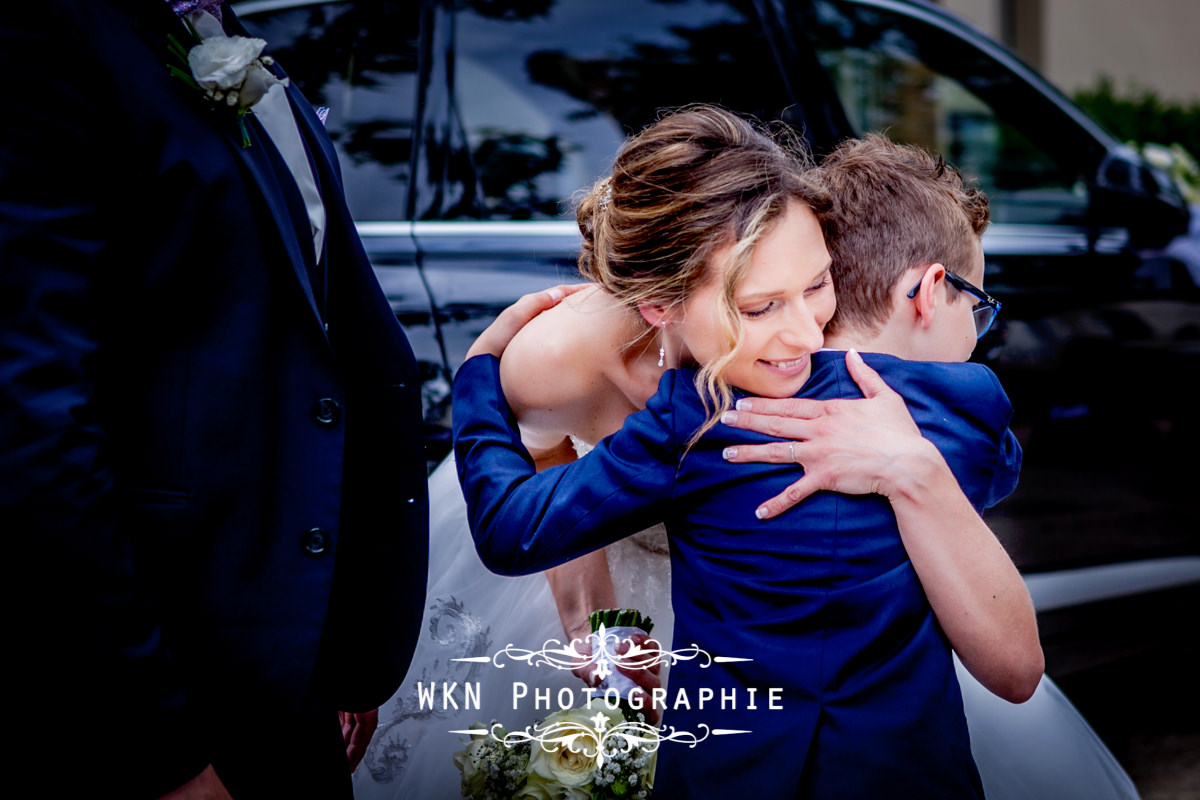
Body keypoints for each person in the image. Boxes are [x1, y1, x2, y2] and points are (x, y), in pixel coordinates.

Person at [1, 2, 428, 797]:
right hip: (169, 694)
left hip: (284, 665)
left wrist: (333, 644)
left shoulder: (216, 25)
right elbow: (30, 416)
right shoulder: (46, 38)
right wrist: (156, 748)